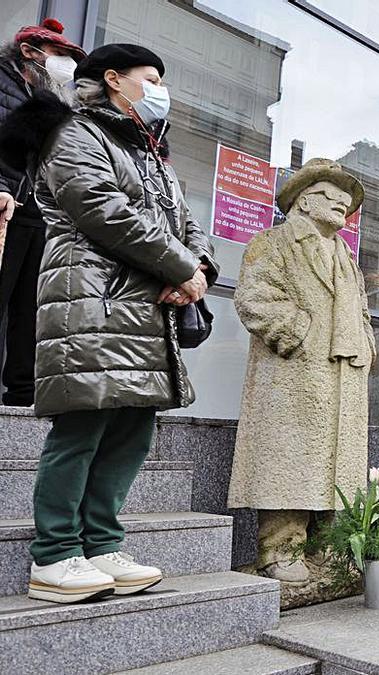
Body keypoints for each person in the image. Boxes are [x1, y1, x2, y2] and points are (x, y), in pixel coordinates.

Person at [17, 43, 217, 603]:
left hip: (147, 310)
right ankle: (55, 555)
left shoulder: (152, 153)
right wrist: (179, 265)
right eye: (150, 78)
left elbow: (186, 221)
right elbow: (103, 209)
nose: (160, 89)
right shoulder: (77, 134)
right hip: (93, 300)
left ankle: (102, 544)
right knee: (82, 428)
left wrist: (196, 267)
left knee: (131, 431)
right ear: (113, 79)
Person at [227, 158, 375, 584]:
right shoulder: (272, 242)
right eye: (334, 198)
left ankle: (329, 550)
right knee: (290, 461)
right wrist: (301, 331)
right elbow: (254, 298)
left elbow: (362, 310)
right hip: (295, 373)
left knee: (338, 470)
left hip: (345, 377)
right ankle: (279, 549)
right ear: (306, 201)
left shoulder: (347, 257)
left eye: (347, 203)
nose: (343, 207)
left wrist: (365, 342)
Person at [0, 19, 85, 406]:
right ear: (30, 52)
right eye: (60, 55)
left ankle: (21, 393)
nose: (66, 64)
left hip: (37, 211)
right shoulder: (4, 82)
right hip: (5, 204)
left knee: (30, 308)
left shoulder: (55, 98)